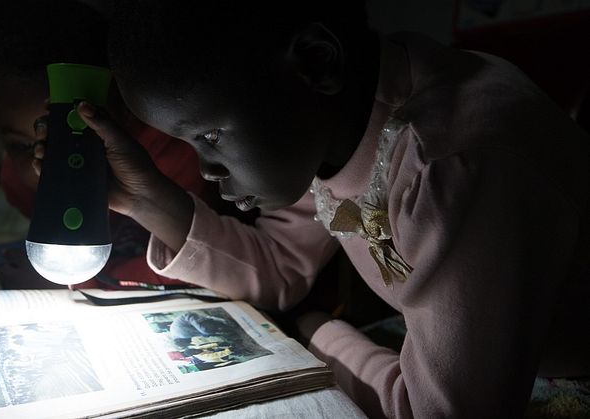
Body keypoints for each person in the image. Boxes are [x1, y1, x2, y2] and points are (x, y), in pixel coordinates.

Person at [68, 1, 590, 417]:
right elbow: (279, 265)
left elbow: (440, 412)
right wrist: (144, 197)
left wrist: (316, 329)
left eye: (209, 136)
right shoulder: (335, 119)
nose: (207, 170)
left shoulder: (455, 166)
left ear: (317, 61)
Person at [0, 0, 228, 289]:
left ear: (124, 110)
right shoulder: (17, 180)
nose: (48, 165)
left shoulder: (180, 156)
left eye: (69, 140)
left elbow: (201, 261)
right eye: (22, 145)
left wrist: (86, 286)